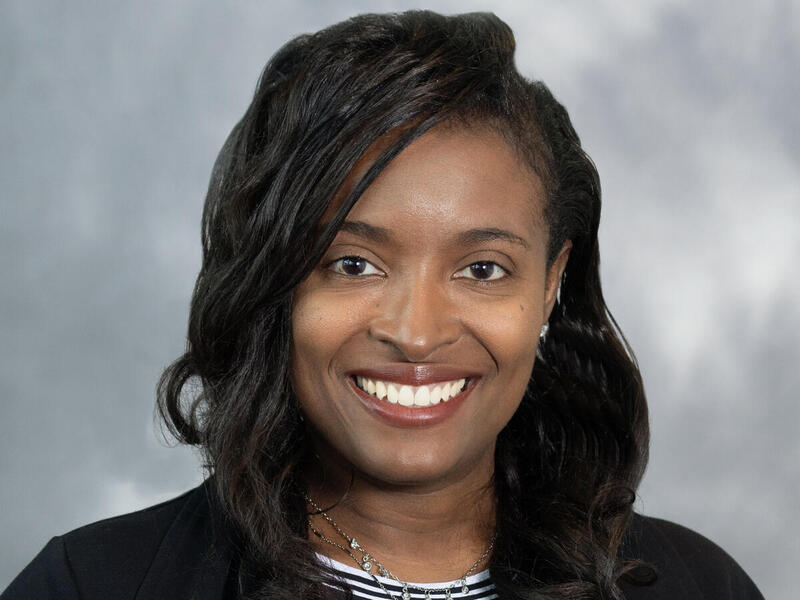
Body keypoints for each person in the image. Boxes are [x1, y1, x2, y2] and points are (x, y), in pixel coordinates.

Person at [2, 10, 764, 600]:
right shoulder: (95, 583)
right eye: (354, 262)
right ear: (278, 280)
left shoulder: (698, 585)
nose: (416, 332)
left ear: (550, 284)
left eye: (483, 268)